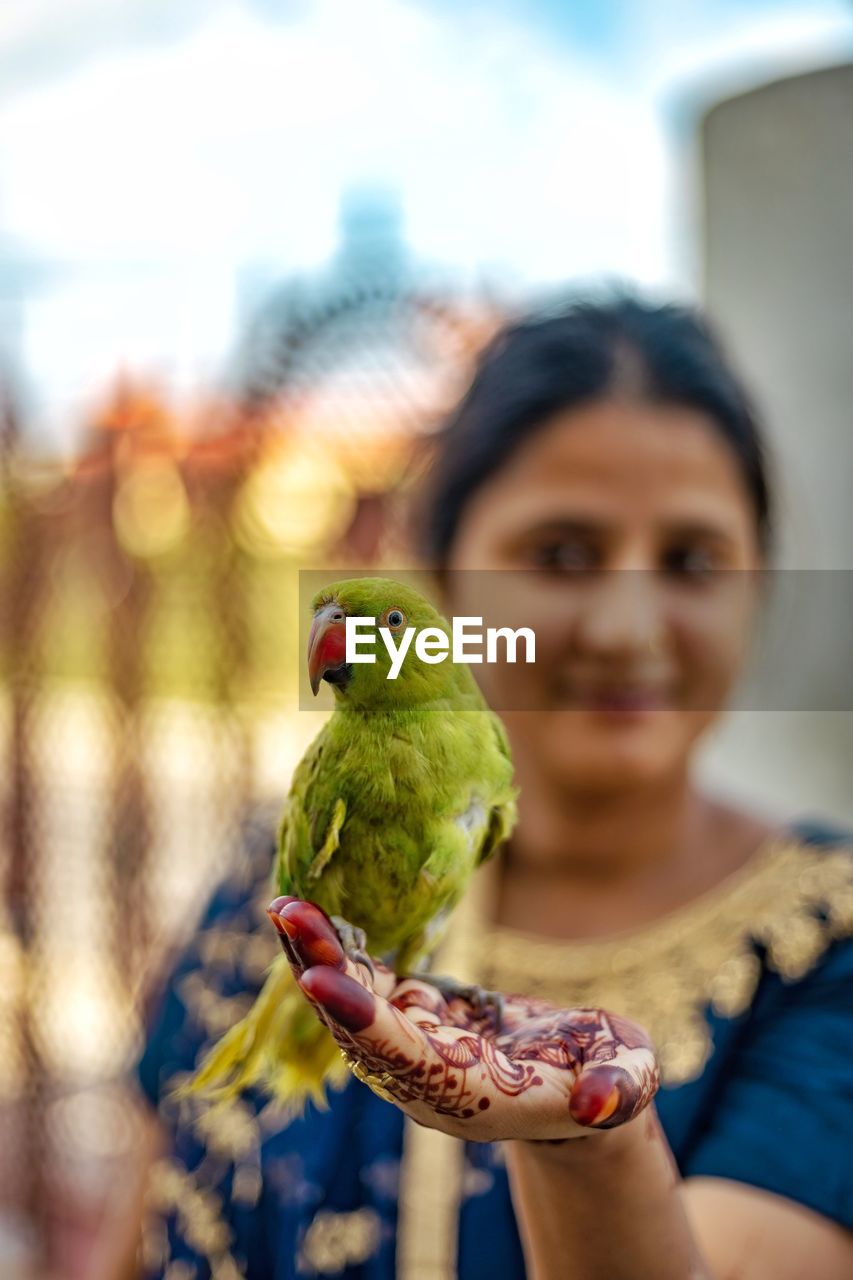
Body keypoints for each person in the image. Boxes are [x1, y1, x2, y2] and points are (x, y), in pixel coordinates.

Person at [120, 296, 852, 1280]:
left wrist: (580, 1141)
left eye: (689, 560)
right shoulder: (287, 880)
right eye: (560, 554)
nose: (627, 625)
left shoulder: (824, 949)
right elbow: (138, 1224)